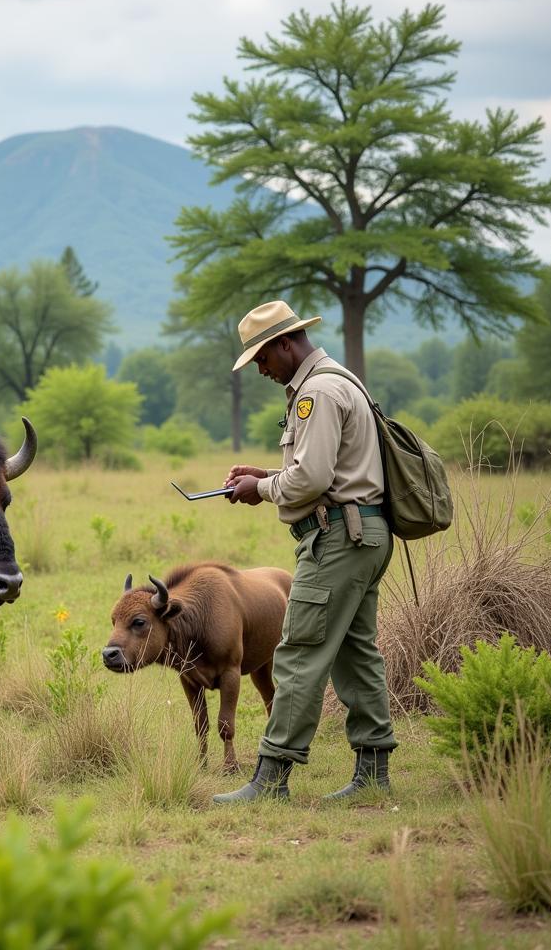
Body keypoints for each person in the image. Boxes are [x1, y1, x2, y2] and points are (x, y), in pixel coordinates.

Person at [213, 300, 396, 804]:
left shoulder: (315, 392)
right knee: (357, 653)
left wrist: (262, 489)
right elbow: (321, 471)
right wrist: (267, 477)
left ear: (284, 345)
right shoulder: (341, 379)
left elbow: (312, 479)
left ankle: (270, 780)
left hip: (338, 539)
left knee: (295, 654)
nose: (262, 371)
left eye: (262, 360)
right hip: (366, 534)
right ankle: (374, 776)